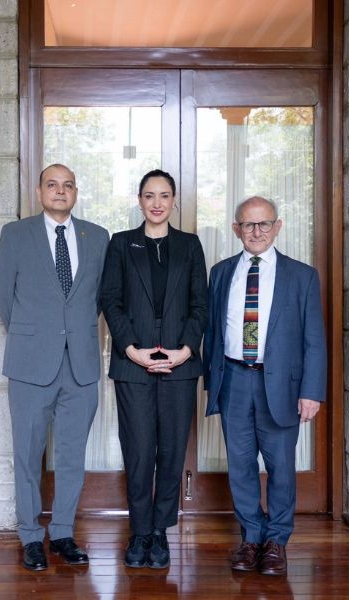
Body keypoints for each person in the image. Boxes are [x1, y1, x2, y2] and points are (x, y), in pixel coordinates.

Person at [0, 163, 109, 571]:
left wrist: (70, 332)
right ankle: (29, 536)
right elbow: (2, 295)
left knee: (72, 455)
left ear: (76, 193)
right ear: (40, 190)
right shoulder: (16, 234)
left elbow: (97, 298)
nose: (60, 191)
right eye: (52, 184)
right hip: (30, 364)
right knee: (28, 453)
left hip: (80, 365)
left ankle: (61, 532)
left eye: (68, 185)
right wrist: (34, 334)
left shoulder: (97, 237)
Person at [203, 196, 326, 575]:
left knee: (281, 469)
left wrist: (312, 390)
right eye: (248, 225)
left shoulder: (301, 276)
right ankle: (251, 538)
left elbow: (313, 340)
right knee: (240, 466)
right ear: (236, 228)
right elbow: (212, 329)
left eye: (263, 224)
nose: (256, 232)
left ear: (278, 226)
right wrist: (213, 382)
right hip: (234, 379)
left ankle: (276, 541)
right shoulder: (222, 272)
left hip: (282, 387)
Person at [100, 169, 208, 569]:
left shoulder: (191, 245)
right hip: (134, 363)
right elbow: (111, 300)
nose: (157, 203)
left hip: (180, 363)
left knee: (172, 450)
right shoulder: (121, 243)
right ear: (140, 200)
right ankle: (139, 531)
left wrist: (185, 350)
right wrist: (130, 349)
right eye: (150, 195)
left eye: (164, 195)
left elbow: (201, 303)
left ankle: (161, 531)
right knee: (140, 450)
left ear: (174, 200)